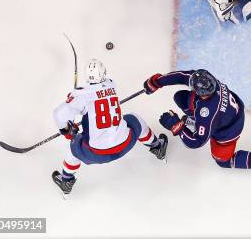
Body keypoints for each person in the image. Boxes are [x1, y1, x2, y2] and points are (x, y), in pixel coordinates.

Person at [143, 69, 251, 179]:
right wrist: (157, 82)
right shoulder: (205, 77)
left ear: (202, 93)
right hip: (227, 112)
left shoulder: (207, 112)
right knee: (180, 97)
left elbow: (196, 142)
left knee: (222, 161)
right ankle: (198, 125)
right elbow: (183, 76)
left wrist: (176, 126)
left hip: (229, 130)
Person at [51, 59, 168, 197]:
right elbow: (99, 98)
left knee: (73, 148)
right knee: (134, 119)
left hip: (96, 154)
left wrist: (67, 131)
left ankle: (66, 181)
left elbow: (58, 114)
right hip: (125, 144)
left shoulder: (80, 95)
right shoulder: (112, 84)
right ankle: (157, 147)